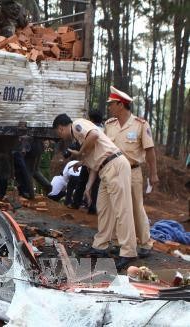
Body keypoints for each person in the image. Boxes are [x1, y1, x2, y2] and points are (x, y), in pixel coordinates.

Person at [53, 113, 137, 270]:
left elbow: (95, 134)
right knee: (103, 208)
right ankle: (101, 246)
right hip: (105, 169)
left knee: (122, 210)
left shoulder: (77, 125)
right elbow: (94, 162)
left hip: (115, 165)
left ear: (61, 128)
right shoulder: (80, 138)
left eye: (59, 132)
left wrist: (80, 153)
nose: (61, 136)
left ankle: (128, 251)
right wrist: (88, 186)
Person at [104, 86, 159, 258]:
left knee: (135, 206)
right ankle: (116, 241)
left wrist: (153, 174)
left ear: (120, 105)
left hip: (133, 171)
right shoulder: (109, 125)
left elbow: (149, 151)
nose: (109, 107)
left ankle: (145, 243)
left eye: (112, 104)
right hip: (113, 172)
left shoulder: (140, 125)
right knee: (115, 207)